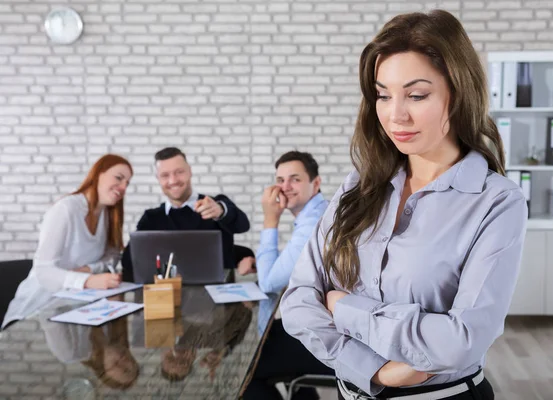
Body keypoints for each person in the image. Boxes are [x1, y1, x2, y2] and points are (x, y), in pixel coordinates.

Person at [281, 9, 528, 400]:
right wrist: (377, 370)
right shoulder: (357, 187)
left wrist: (345, 309)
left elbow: (461, 342)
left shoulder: (496, 202)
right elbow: (297, 301)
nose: (395, 115)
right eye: (382, 95)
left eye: (416, 95)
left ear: (458, 93)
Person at [241, 151, 333, 400]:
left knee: (246, 367)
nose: (285, 187)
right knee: (270, 339)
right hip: (323, 326)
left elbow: (270, 283)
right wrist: (265, 264)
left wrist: (270, 219)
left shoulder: (314, 223)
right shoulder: (317, 214)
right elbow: (292, 267)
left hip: (330, 339)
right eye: (280, 180)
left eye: (295, 179)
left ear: (316, 183)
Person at [2, 154, 133, 329]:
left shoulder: (108, 215)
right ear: (98, 174)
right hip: (35, 312)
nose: (123, 187)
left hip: (73, 308)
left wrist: (90, 269)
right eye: (118, 178)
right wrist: (87, 280)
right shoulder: (65, 210)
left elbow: (113, 254)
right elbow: (43, 271)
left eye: (127, 183)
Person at [121, 147, 252, 282]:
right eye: (165, 175)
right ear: (158, 179)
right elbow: (129, 263)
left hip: (218, 294)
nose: (173, 180)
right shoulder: (151, 218)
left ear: (189, 171)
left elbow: (243, 225)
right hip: (168, 295)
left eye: (179, 172)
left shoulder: (214, 205)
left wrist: (220, 211)